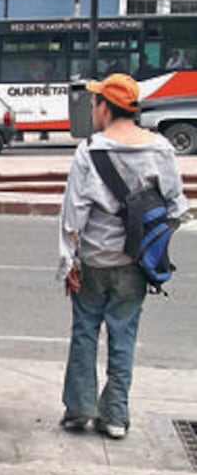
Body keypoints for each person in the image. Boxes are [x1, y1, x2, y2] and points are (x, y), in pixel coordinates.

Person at [57, 73, 189, 439]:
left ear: (104, 108)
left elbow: (74, 215)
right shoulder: (161, 148)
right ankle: (115, 416)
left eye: (96, 102)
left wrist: (69, 262)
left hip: (95, 260)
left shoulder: (89, 151)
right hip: (135, 264)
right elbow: (176, 206)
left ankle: (79, 411)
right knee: (124, 335)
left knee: (85, 331)